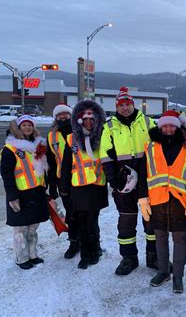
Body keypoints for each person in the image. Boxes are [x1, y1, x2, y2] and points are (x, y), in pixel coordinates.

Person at [138, 110, 186, 293]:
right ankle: (163, 271)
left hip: (181, 202)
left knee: (180, 239)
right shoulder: (150, 148)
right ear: (160, 127)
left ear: (178, 126)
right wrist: (143, 199)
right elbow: (143, 175)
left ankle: (178, 276)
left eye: (172, 125)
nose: (168, 128)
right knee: (160, 238)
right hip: (157, 201)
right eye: (165, 125)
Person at [99, 86, 157, 275]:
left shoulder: (148, 123)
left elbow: (160, 147)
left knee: (151, 221)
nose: (125, 108)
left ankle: (154, 257)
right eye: (121, 105)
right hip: (124, 182)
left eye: (128, 104)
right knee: (126, 221)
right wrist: (113, 180)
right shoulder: (108, 127)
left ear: (133, 105)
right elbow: (105, 156)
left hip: (148, 181)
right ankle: (129, 258)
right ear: (117, 106)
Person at [60, 100, 109, 269]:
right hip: (78, 187)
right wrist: (64, 187)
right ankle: (85, 253)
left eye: (92, 119)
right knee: (80, 221)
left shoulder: (102, 136)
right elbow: (66, 165)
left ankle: (95, 251)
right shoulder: (71, 139)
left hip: (95, 186)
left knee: (91, 222)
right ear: (79, 120)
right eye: (85, 119)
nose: (88, 122)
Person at [0, 115, 49, 270]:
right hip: (20, 195)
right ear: (18, 128)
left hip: (36, 193)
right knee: (21, 229)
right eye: (24, 125)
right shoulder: (10, 148)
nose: (27, 127)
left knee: (33, 228)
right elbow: (6, 175)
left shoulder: (38, 145)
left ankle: (33, 255)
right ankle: (22, 258)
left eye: (30, 125)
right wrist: (12, 196)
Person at [46, 103, 80, 259]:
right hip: (63, 181)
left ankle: (93, 244)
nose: (63, 117)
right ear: (55, 117)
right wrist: (52, 185)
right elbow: (51, 162)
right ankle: (74, 243)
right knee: (71, 213)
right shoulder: (52, 136)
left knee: (87, 213)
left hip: (82, 178)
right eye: (60, 115)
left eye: (66, 114)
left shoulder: (80, 131)